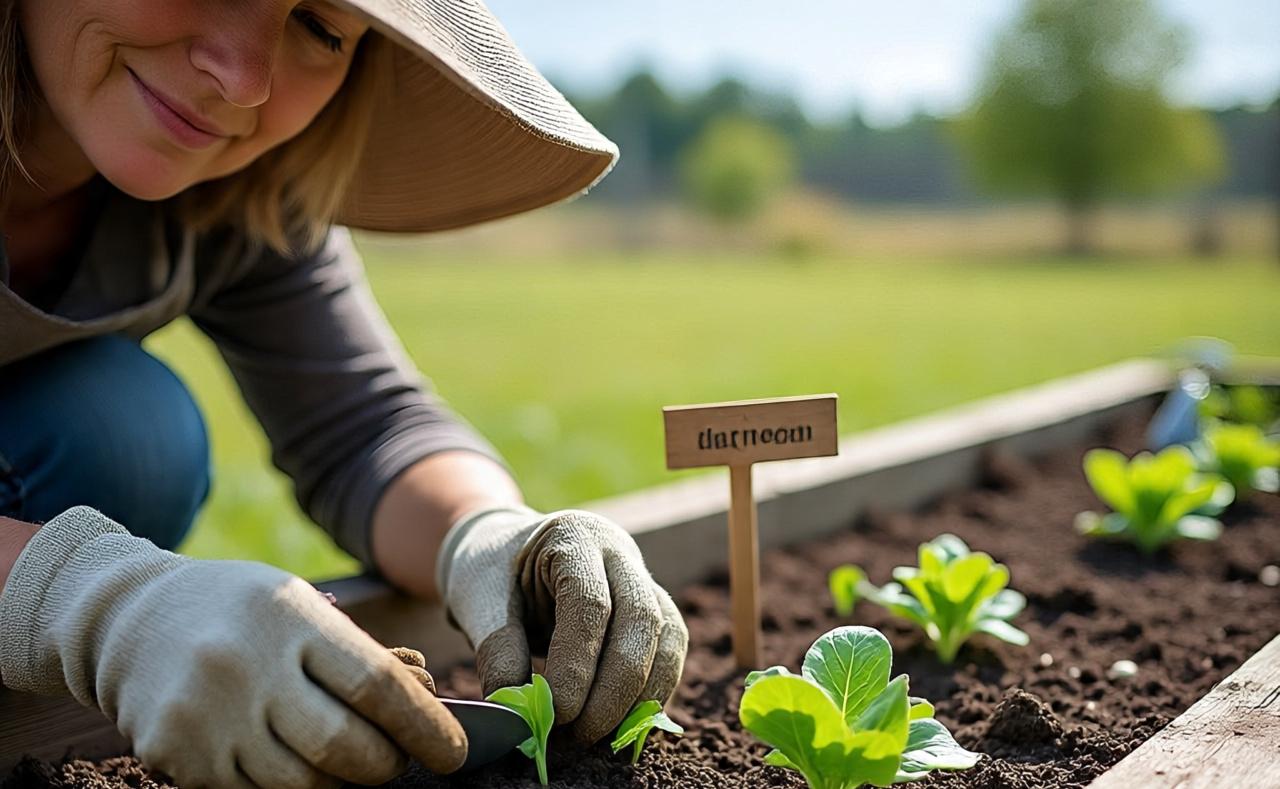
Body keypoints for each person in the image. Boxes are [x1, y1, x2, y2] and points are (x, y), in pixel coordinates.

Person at [0, 1, 688, 787]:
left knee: (119, 431)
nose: (244, 80)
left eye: (321, 27)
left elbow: (364, 426)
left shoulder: (240, 191)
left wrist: (490, 534)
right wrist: (84, 598)